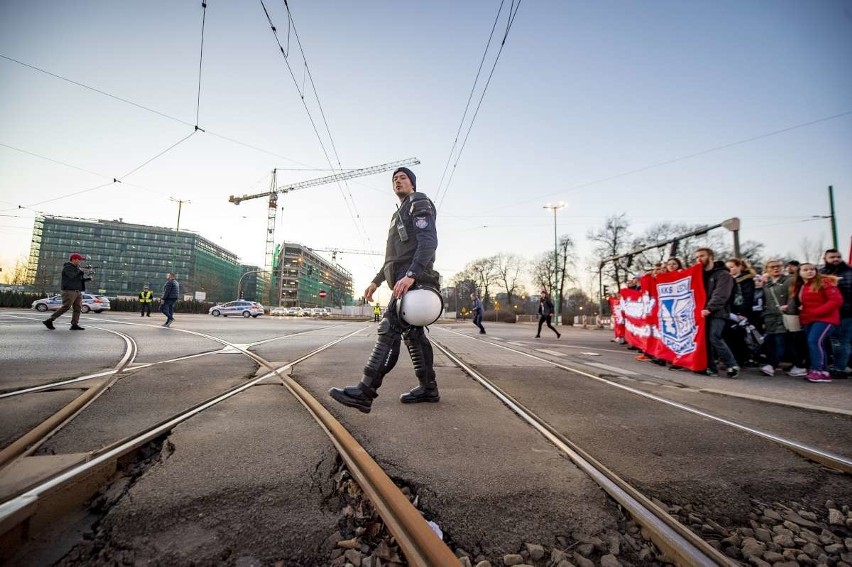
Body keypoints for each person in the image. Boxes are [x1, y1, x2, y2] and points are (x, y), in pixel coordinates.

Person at [329, 167, 441, 413]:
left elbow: (429, 242)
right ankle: (428, 388)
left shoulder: (418, 201)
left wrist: (412, 275)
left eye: (402, 178)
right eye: (394, 179)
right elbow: (393, 257)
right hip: (403, 278)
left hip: (413, 280)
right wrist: (376, 280)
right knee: (413, 336)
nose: (397, 181)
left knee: (388, 329)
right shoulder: (396, 214)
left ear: (412, 183)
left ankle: (365, 391)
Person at [790, 263, 842, 382]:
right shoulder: (801, 285)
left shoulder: (825, 282)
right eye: (806, 270)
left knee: (814, 341)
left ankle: (817, 369)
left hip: (826, 319)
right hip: (809, 319)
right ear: (799, 272)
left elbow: (836, 300)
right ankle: (823, 372)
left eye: (812, 269)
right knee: (817, 343)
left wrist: (817, 312)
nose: (810, 271)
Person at [695, 247, 739, 378]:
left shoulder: (723, 274)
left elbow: (721, 294)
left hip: (717, 312)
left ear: (710, 256)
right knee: (704, 339)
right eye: (697, 257)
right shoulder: (698, 274)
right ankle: (710, 367)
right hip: (702, 312)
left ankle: (732, 365)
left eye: (702, 256)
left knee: (714, 336)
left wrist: (710, 308)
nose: (699, 259)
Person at [820, 248, 852, 378]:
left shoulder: (849, 272)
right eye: (832, 257)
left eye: (838, 256)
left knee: (842, 341)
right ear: (825, 259)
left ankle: (840, 368)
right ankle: (838, 365)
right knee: (832, 341)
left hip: (846, 313)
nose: (835, 259)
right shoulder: (821, 273)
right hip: (826, 313)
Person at [42, 252, 92, 331]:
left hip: (77, 291)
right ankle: (49, 320)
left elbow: (78, 280)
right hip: (69, 291)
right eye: (79, 260)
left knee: (78, 308)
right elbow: (71, 276)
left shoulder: (77, 269)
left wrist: (88, 279)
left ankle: (74, 324)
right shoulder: (67, 267)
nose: (80, 262)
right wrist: (81, 271)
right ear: (74, 259)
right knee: (66, 307)